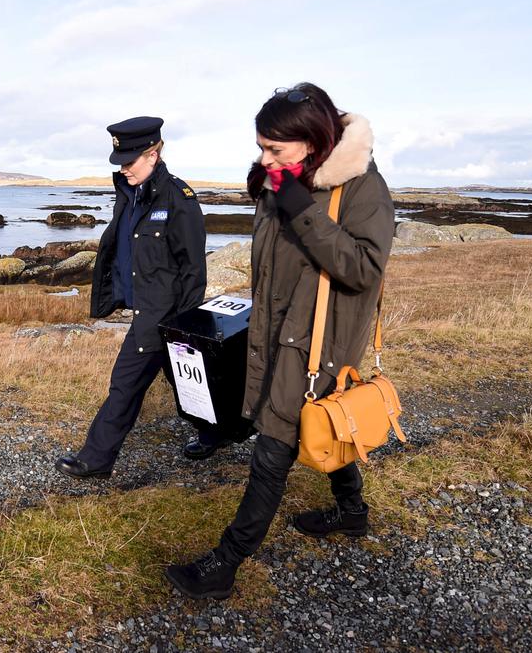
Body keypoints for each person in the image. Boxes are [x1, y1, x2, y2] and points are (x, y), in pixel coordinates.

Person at [165, 83, 395, 598]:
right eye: (260, 147)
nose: (264, 158)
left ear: (312, 141)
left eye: (274, 149)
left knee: (273, 447)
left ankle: (225, 564)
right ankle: (352, 512)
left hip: (320, 340)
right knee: (323, 419)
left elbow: (362, 269)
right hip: (280, 330)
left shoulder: (360, 188)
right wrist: (278, 189)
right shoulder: (285, 178)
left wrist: (297, 205)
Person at [55, 116, 225, 479]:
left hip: (164, 315)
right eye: (119, 161)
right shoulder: (129, 194)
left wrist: (182, 326)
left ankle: (96, 459)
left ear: (154, 152)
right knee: (187, 382)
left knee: (125, 382)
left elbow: (194, 271)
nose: (124, 168)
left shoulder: (179, 200)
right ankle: (216, 432)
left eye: (130, 161)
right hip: (144, 309)